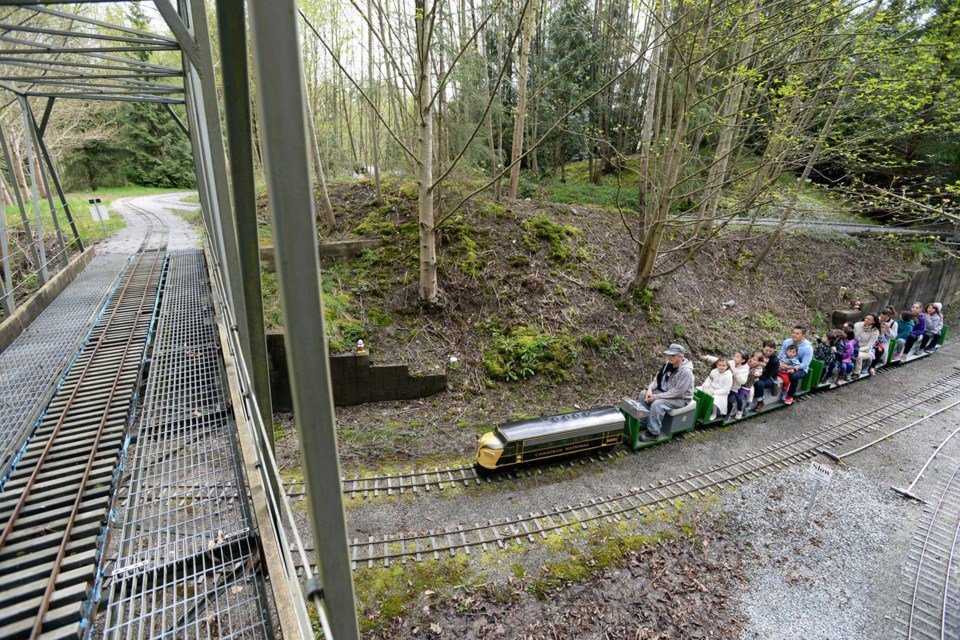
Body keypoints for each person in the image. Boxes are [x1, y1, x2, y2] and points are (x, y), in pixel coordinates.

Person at [638, 343, 695, 442]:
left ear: (681, 356)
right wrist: (650, 389)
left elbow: (677, 392)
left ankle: (654, 433)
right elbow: (657, 379)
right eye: (669, 354)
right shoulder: (667, 365)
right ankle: (644, 422)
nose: (669, 357)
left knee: (657, 403)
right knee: (643, 394)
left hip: (681, 398)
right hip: (665, 391)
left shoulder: (686, 372)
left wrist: (656, 397)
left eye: (672, 355)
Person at [700, 350, 750, 419]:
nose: (735, 358)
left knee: (729, 401)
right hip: (722, 386)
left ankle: (728, 414)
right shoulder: (731, 363)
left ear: (743, 360)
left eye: (737, 357)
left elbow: (742, 381)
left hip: (733, 388)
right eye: (735, 356)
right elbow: (720, 361)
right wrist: (708, 358)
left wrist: (737, 372)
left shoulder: (744, 369)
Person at [777, 326, 813, 405]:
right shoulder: (787, 342)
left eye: (797, 333)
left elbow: (805, 364)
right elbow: (781, 355)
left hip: (800, 368)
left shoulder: (807, 348)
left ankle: (790, 395)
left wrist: (790, 367)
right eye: (793, 332)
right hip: (784, 363)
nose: (794, 335)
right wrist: (780, 364)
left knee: (793, 375)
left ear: (803, 335)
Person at [753, 340, 780, 412]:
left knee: (759, 383)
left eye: (770, 351)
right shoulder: (758, 354)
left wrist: (758, 377)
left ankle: (760, 402)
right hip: (756, 372)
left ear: (773, 350)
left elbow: (770, 374)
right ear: (763, 348)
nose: (768, 353)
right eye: (766, 350)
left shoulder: (775, 360)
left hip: (769, 378)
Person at [870, 308, 897, 374]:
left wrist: (888, 329)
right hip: (873, 337)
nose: (882, 319)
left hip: (884, 340)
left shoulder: (894, 323)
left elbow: (893, 336)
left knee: (881, 350)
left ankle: (873, 366)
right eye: (881, 316)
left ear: (889, 316)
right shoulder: (877, 319)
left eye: (885, 318)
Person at [741, 352, 767, 417]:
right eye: (754, 359)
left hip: (749, 384)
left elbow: (758, 372)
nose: (755, 362)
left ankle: (747, 406)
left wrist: (757, 374)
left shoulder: (759, 368)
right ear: (751, 358)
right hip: (741, 381)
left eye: (758, 361)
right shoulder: (746, 363)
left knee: (751, 393)